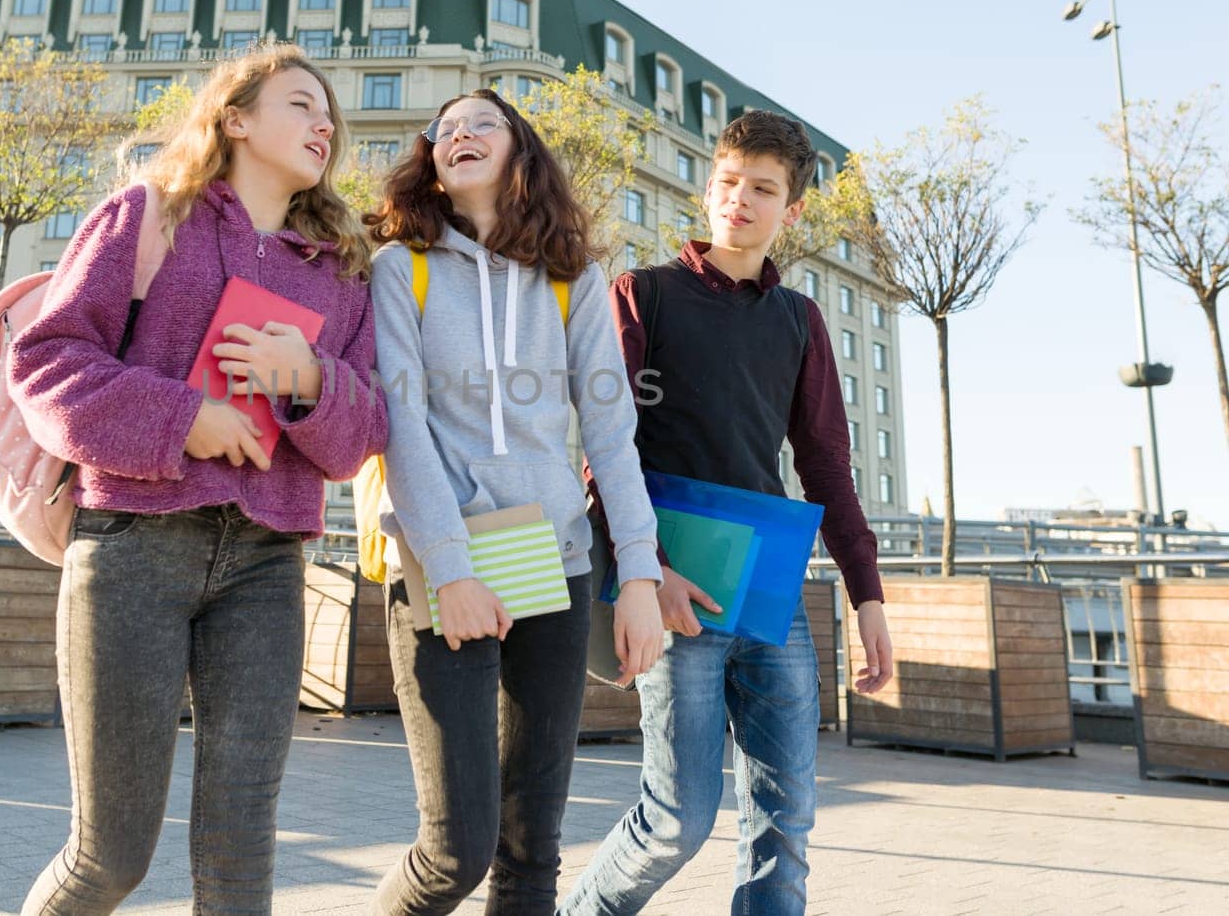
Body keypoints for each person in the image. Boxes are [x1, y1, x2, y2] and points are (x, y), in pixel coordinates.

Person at [7, 44, 388, 915]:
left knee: (241, 851)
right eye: (301, 103)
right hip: (134, 545)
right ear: (236, 116)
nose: (324, 122)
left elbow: (362, 433)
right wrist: (187, 417)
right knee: (111, 855)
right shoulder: (146, 216)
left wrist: (310, 380)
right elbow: (47, 364)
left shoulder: (342, 272)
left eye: (330, 115)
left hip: (266, 567)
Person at [560, 110, 895, 915]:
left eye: (763, 189)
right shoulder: (643, 294)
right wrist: (647, 571)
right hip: (675, 586)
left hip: (772, 595)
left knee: (786, 824)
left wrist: (868, 594)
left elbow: (825, 466)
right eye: (729, 181)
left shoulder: (800, 321)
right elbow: (606, 450)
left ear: (793, 210)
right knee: (677, 819)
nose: (739, 199)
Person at [365, 88, 664, 914]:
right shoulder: (401, 269)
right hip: (442, 567)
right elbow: (401, 428)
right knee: (453, 850)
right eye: (445, 130)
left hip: (556, 566)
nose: (459, 134)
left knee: (531, 849)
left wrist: (637, 573)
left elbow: (611, 434)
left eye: (481, 124)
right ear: (432, 159)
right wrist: (453, 568)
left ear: (519, 146)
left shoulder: (573, 279)